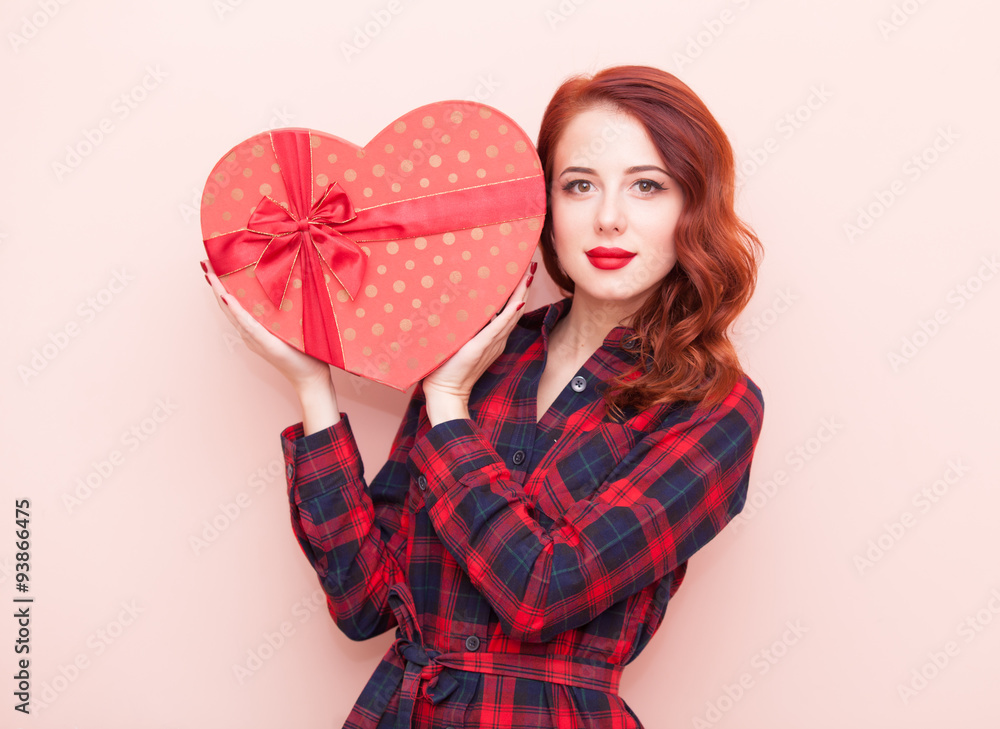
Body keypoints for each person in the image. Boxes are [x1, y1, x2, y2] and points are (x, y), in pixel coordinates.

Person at [204, 65, 764, 729]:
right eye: (579, 184)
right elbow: (363, 605)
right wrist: (311, 386)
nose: (609, 218)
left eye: (647, 186)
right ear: (545, 205)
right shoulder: (474, 353)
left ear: (691, 207)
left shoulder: (714, 407)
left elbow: (541, 591)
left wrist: (446, 404)